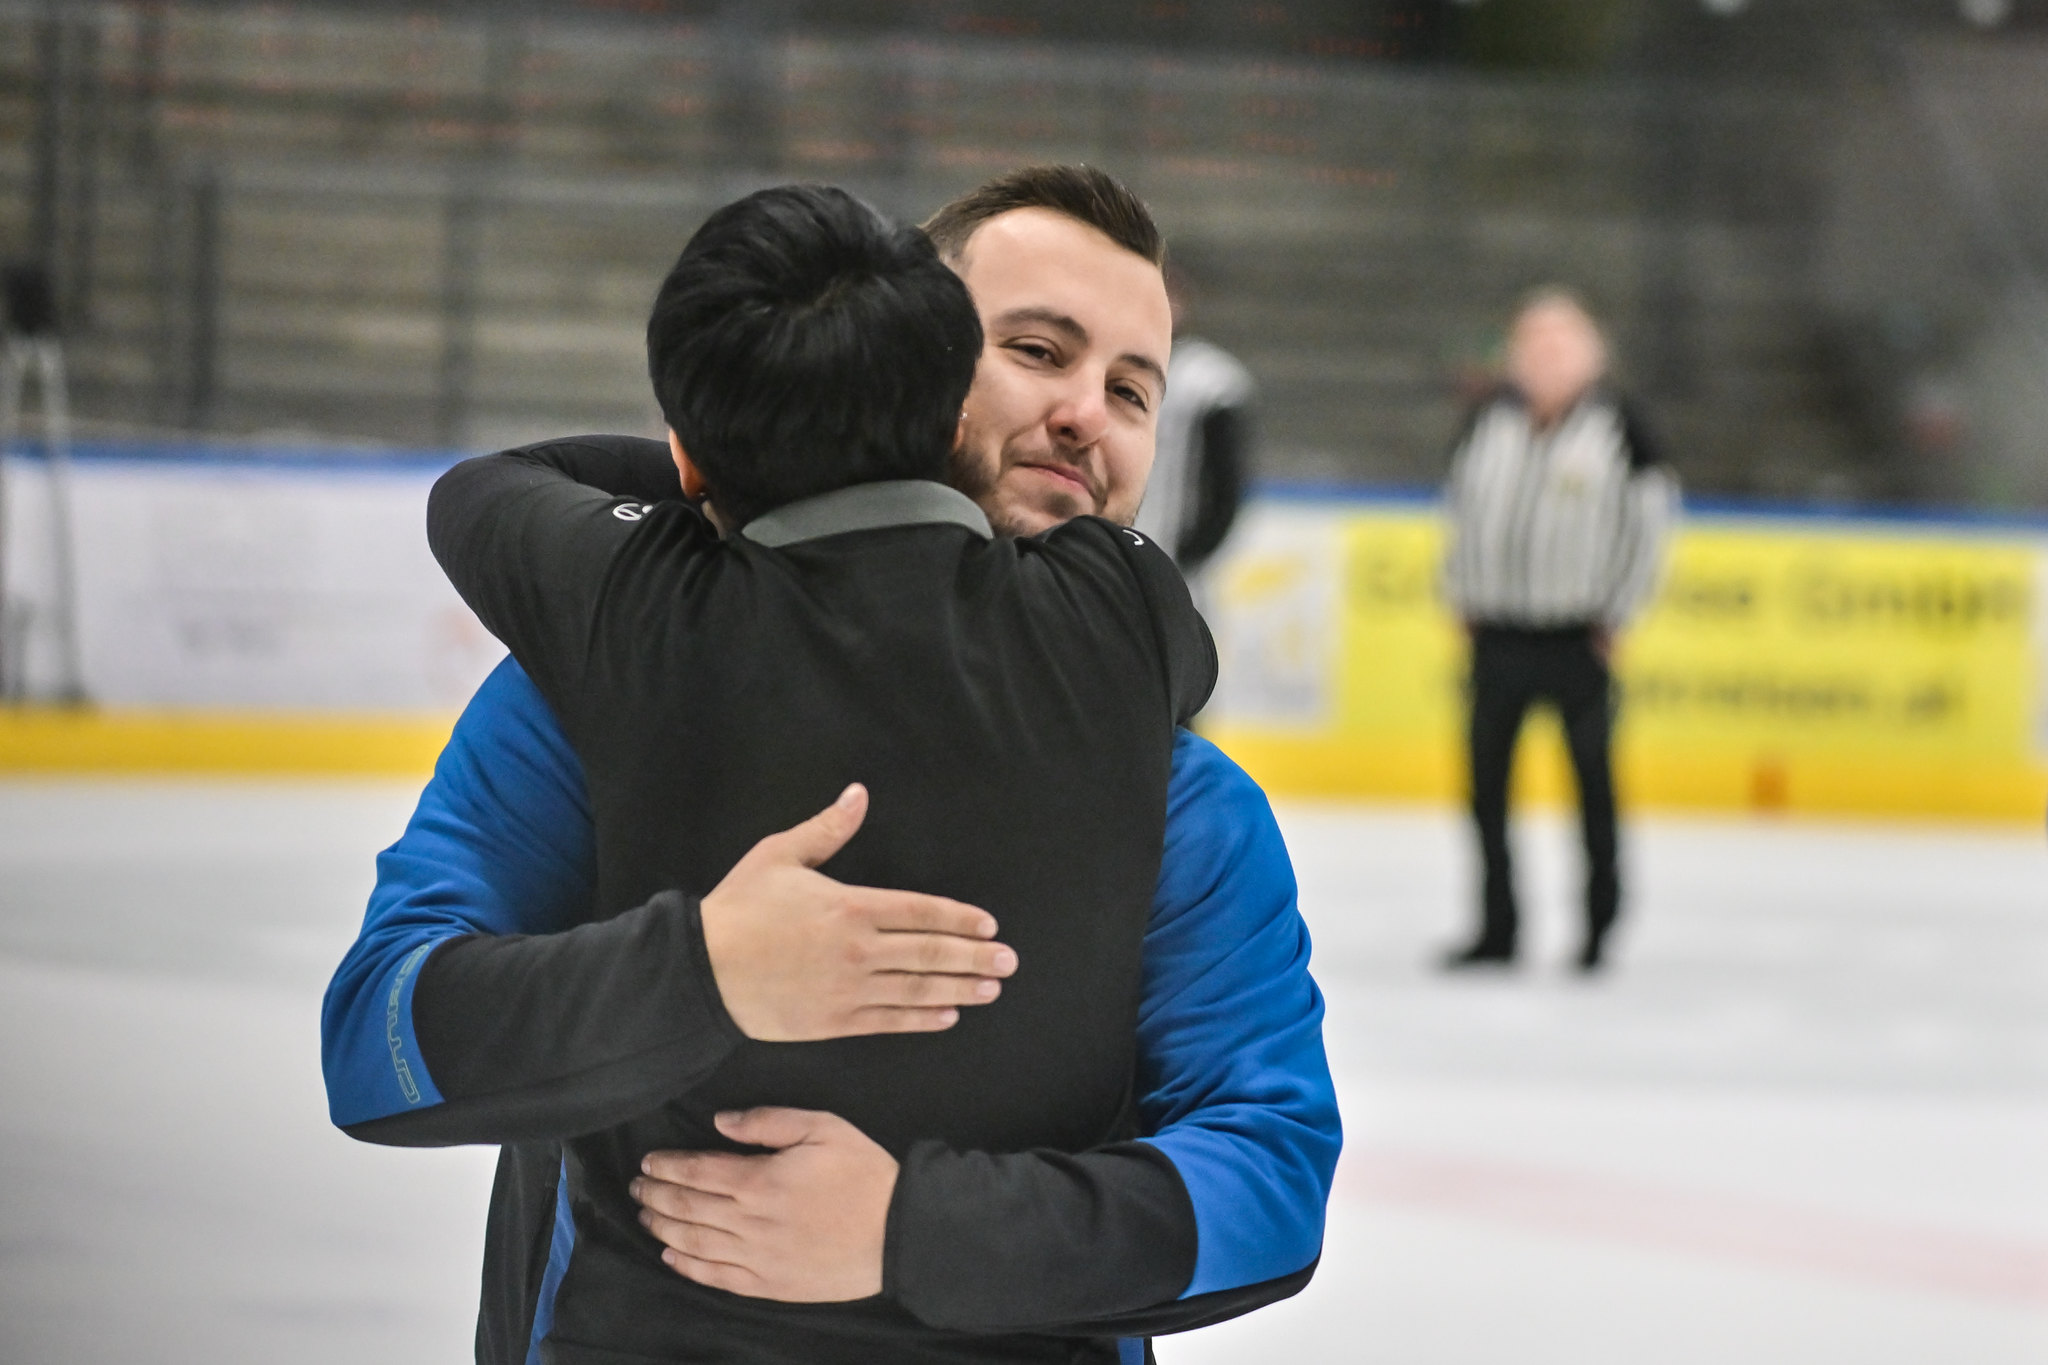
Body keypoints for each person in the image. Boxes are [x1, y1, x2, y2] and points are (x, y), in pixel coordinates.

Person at [322, 166, 1339, 1365]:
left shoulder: (1182, 794)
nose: (1085, 415)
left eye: (1130, 388)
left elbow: (1267, 1181)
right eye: (1033, 349)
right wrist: (691, 971)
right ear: (907, 368)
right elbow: (378, 1045)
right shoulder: (586, 695)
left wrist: (918, 1229)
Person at [1439, 287, 1678, 973]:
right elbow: (1458, 508)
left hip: (1578, 637)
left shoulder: (1621, 426)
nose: (1543, 355)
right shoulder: (1489, 420)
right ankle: (1496, 926)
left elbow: (1651, 525)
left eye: (1560, 342)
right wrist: (1462, 593)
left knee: (1592, 788)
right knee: (1486, 791)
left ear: (1591, 354)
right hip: (1498, 635)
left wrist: (1620, 612)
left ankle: (1599, 928)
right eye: (1531, 342)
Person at [1131, 267, 1255, 576]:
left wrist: (1196, 549)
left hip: (1177, 554)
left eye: (1170, 297)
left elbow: (1227, 477)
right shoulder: (1108, 363)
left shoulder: (1211, 381)